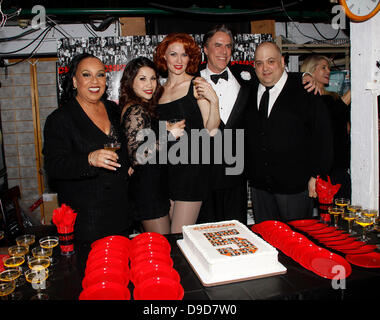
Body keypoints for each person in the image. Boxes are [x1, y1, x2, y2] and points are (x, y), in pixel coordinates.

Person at [197, 25, 319, 225]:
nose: (223, 51)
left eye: (228, 46)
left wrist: (302, 77)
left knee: (239, 235)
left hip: (238, 175)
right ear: (205, 49)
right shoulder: (192, 79)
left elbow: (277, 76)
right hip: (204, 175)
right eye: (217, 45)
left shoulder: (246, 75)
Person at [43, 53, 131, 246]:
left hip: (121, 214)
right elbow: (54, 166)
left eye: (100, 75)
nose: (95, 81)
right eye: (86, 75)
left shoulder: (113, 110)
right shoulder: (60, 119)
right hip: (87, 221)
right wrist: (89, 159)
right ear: (74, 81)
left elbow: (124, 149)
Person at [245, 42, 333, 223]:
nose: (265, 68)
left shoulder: (306, 90)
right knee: (266, 239)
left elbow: (323, 137)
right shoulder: (249, 89)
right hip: (260, 187)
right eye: (259, 63)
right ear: (254, 66)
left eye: (271, 61)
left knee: (297, 241)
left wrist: (317, 175)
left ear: (282, 62)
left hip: (295, 187)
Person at [154, 33, 220, 233]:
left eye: (184, 55)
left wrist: (214, 102)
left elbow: (211, 130)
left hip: (191, 171)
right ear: (164, 56)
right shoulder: (157, 91)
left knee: (178, 236)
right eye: (173, 54)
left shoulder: (196, 84)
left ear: (190, 58)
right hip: (165, 170)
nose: (179, 60)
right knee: (165, 239)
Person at [119, 57, 184, 234]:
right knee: (162, 247)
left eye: (153, 78)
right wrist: (169, 135)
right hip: (148, 192)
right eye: (142, 78)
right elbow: (138, 156)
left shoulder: (140, 106)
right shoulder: (136, 110)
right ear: (130, 81)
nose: (149, 84)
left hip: (153, 187)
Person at [301, 55, 351, 199]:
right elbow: (332, 115)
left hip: (340, 166)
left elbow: (343, 125)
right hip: (323, 169)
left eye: (328, 67)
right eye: (323, 67)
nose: (328, 71)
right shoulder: (310, 100)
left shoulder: (333, 97)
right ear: (311, 71)